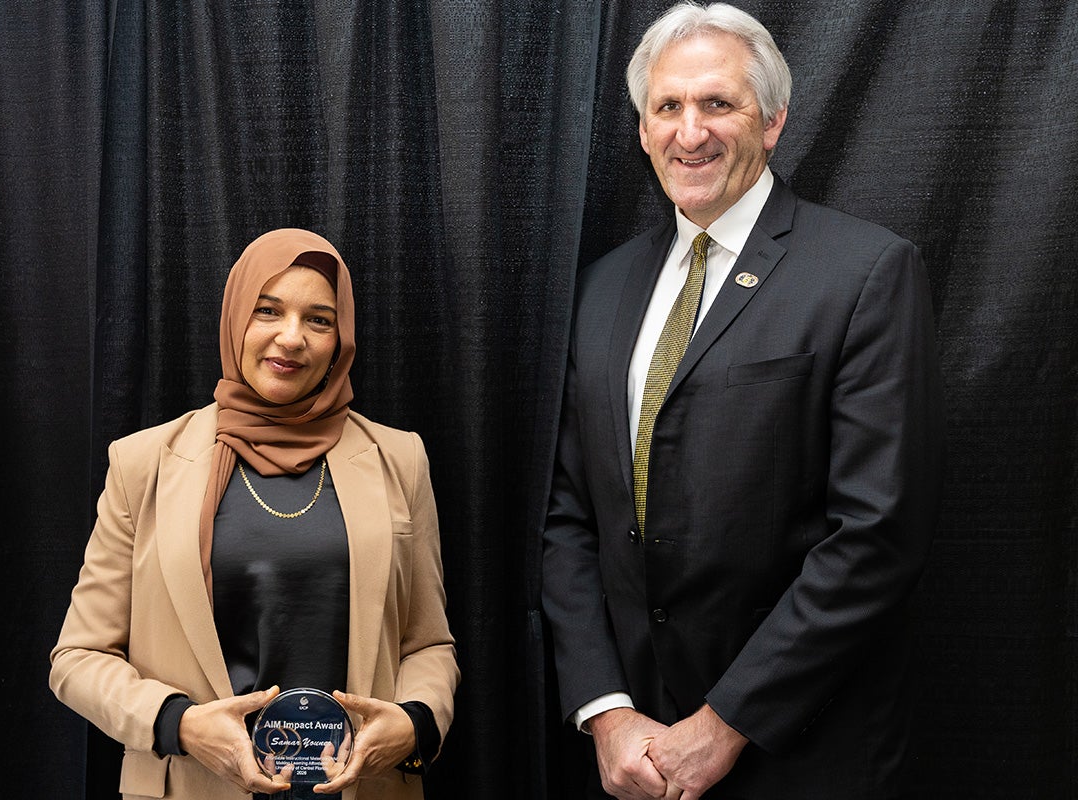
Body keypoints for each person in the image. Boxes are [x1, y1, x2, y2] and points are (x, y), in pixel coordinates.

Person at [542, 3, 944, 799]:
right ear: (644, 128)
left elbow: (877, 533)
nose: (690, 131)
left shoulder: (865, 274)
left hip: (801, 750)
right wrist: (608, 711)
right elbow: (568, 514)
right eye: (668, 107)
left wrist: (725, 721)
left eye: (717, 103)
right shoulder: (599, 289)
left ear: (773, 122)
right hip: (636, 757)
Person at [51, 228, 459, 800]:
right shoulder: (144, 463)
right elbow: (78, 658)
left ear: (340, 337)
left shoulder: (399, 458)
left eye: (318, 319)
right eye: (268, 310)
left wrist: (414, 722)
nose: (291, 338)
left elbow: (428, 645)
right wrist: (181, 725)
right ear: (236, 317)